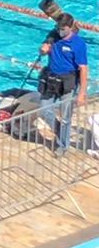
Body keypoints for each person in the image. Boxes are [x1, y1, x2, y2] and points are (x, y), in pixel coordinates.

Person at [36, 14, 88, 152]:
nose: (60, 31)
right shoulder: (53, 35)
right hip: (51, 79)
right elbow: (42, 51)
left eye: (63, 29)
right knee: (45, 109)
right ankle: (59, 130)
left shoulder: (78, 44)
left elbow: (83, 69)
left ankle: (62, 145)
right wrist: (42, 50)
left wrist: (81, 93)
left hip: (67, 83)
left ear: (70, 28)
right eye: (58, 28)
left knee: (66, 117)